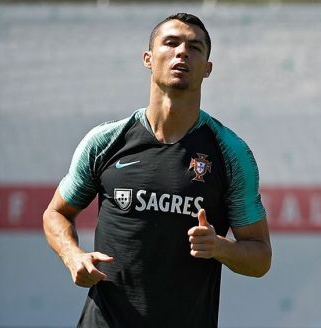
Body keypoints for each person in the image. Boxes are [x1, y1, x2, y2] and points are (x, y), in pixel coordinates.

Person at [43, 13, 272, 328]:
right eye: (171, 42)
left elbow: (260, 257)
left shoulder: (230, 153)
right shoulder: (105, 142)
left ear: (207, 68)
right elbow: (56, 213)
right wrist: (73, 257)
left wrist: (219, 246)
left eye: (194, 47)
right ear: (148, 58)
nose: (182, 52)